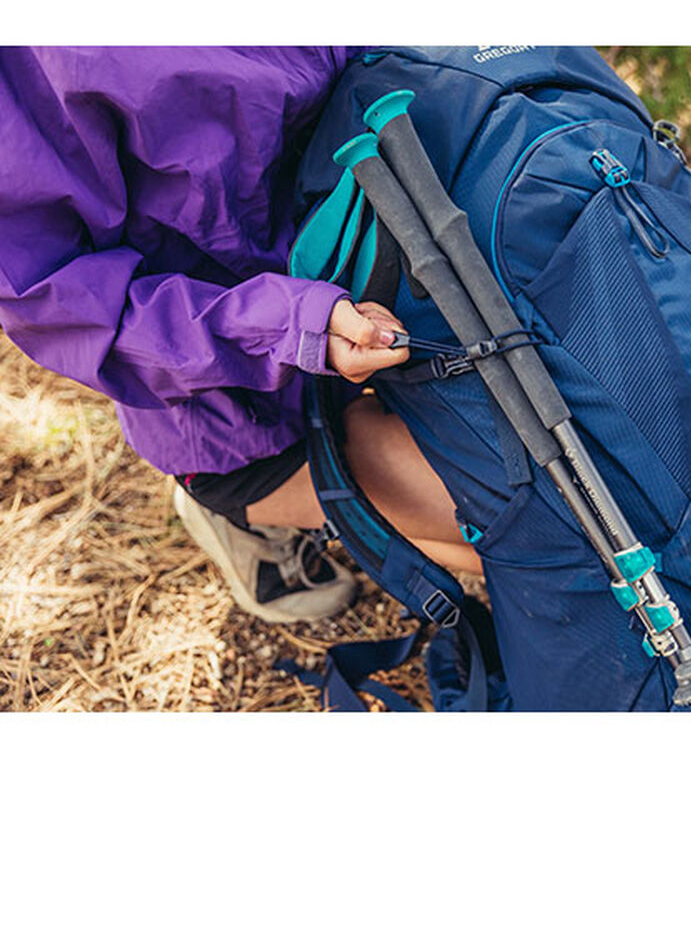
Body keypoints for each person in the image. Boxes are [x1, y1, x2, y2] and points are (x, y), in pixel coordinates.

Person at [0, 47, 483, 625]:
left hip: (383, 285)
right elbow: (68, 306)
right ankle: (252, 510)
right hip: (241, 413)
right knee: (525, 534)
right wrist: (290, 325)